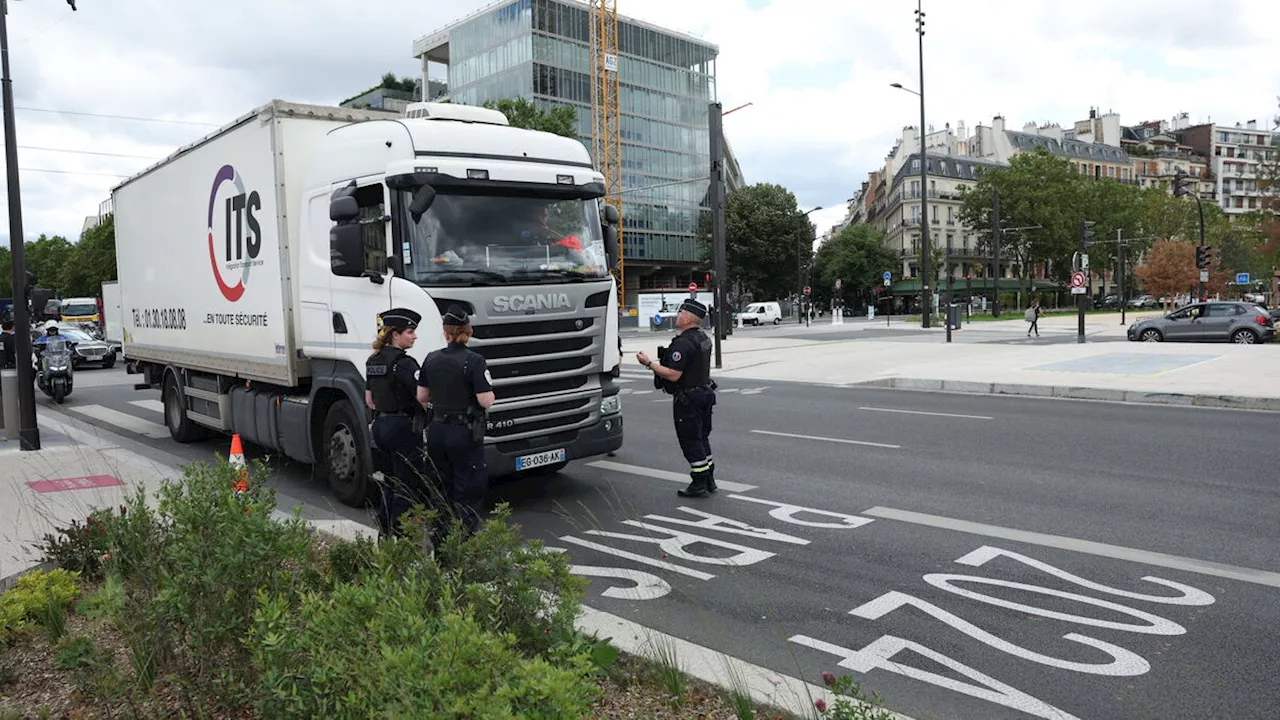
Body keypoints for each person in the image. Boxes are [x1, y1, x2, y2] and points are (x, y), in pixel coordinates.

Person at [417, 305, 495, 535]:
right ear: (468, 332)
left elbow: (421, 396)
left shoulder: (431, 358)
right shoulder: (475, 361)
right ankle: (464, 544)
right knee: (468, 490)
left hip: (437, 431)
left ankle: (440, 543)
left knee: (441, 488)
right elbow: (486, 401)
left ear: (446, 333)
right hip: (464, 433)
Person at [636, 298, 717, 498]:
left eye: (681, 312)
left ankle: (699, 482)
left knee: (690, 440)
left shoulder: (683, 343)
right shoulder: (703, 338)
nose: (677, 315)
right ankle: (709, 478)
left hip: (688, 399)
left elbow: (673, 374)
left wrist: (648, 364)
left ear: (688, 318)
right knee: (702, 437)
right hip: (705, 393)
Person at [365, 307, 429, 539]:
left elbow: (369, 400)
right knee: (407, 484)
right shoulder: (405, 363)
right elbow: (423, 397)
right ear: (395, 334)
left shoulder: (373, 360)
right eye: (410, 332)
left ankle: (385, 531)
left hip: (380, 426)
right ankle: (403, 536)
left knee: (389, 481)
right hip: (402, 428)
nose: (414, 336)